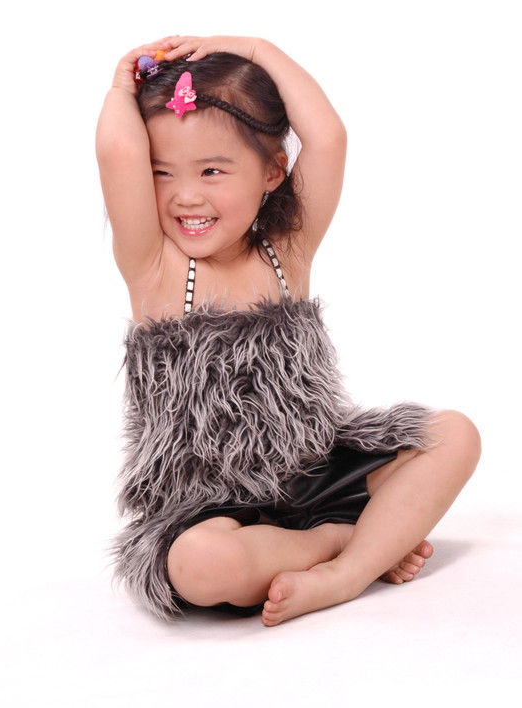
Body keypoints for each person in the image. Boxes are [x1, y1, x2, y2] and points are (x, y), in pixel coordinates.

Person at [96, 35, 482, 628]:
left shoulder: (285, 252)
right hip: (208, 505)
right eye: (162, 172)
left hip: (316, 469)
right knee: (202, 566)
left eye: (212, 170)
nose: (186, 195)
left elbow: (327, 138)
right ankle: (344, 541)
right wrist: (121, 86)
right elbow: (118, 152)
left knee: (454, 434)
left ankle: (344, 574)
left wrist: (256, 49)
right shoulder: (156, 268)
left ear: (274, 171)